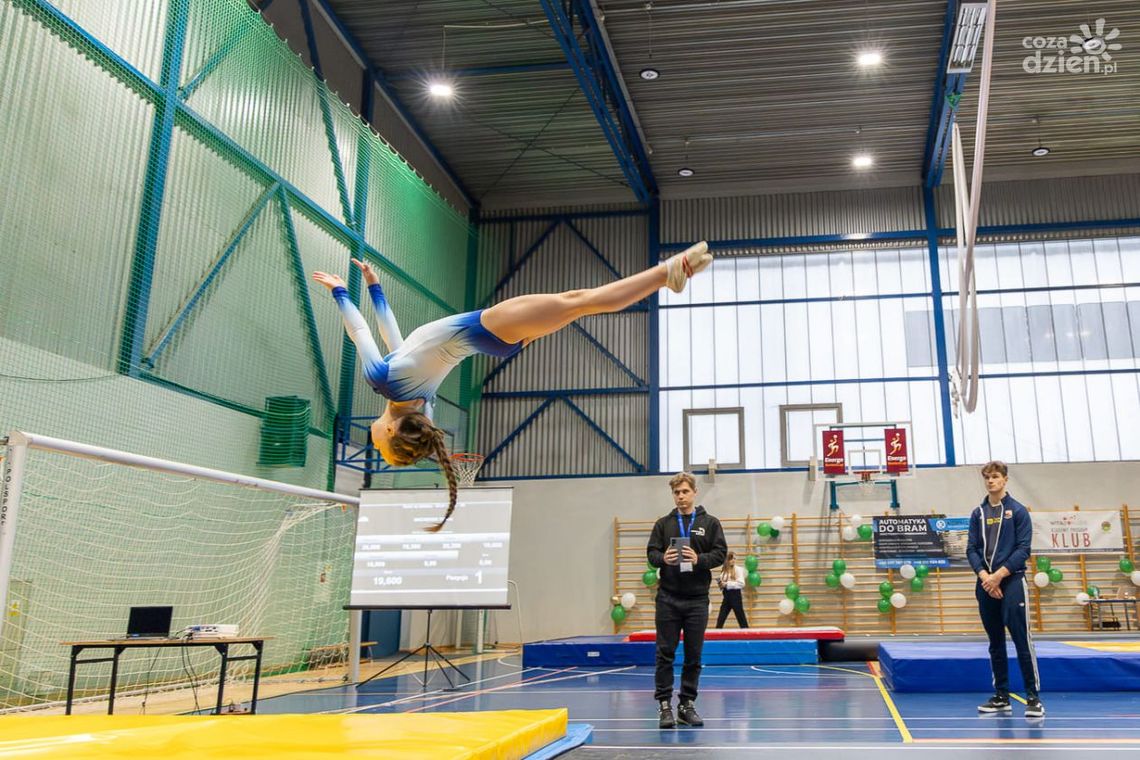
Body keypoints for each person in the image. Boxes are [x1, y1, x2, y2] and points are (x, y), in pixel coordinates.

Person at [314, 243, 712, 530]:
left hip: (496, 339)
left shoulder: (411, 396)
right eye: (383, 450)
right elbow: (359, 329)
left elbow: (394, 340)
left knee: (579, 303)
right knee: (579, 300)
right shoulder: (385, 383)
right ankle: (667, 273)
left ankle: (668, 275)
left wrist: (375, 286)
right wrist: (340, 291)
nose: (376, 445)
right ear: (389, 431)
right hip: (488, 327)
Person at [646, 472, 727, 729]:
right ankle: (664, 706)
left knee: (693, 656)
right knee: (665, 654)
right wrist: (662, 559)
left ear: (694, 492)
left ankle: (686, 704)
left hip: (697, 601)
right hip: (668, 598)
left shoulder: (711, 523)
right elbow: (651, 553)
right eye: (676, 493)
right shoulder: (663, 524)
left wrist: (698, 559)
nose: (680, 497)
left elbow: (720, 553)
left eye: (685, 492)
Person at [966, 460, 1043, 718]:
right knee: (995, 642)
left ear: (1005, 479)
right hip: (986, 583)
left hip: (1011, 582)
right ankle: (1001, 695)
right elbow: (972, 549)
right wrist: (985, 577)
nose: (990, 481)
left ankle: (1033, 697)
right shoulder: (978, 513)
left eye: (995, 476)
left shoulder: (1018, 511)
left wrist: (998, 576)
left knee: (1021, 639)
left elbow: (1023, 550)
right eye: (987, 477)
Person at [715, 551, 749, 629]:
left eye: (734, 558)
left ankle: (747, 634)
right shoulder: (724, 571)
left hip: (735, 596)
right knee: (721, 617)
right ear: (727, 560)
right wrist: (721, 584)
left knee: (741, 617)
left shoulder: (738, 569)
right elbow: (723, 584)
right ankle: (717, 634)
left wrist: (727, 584)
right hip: (726, 597)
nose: (733, 560)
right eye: (731, 558)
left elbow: (741, 584)